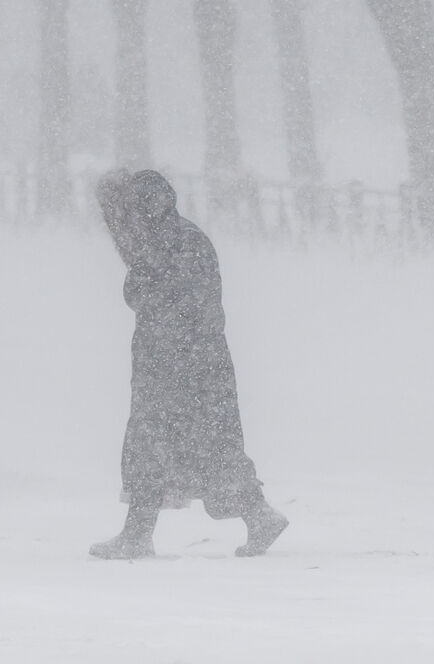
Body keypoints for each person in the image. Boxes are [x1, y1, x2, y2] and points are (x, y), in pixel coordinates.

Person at [91, 169, 288, 559]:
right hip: (196, 363)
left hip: (175, 364)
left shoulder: (167, 246)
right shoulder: (181, 238)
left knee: (157, 443)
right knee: (207, 445)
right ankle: (256, 514)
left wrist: (174, 352)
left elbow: (148, 297)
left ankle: (138, 535)